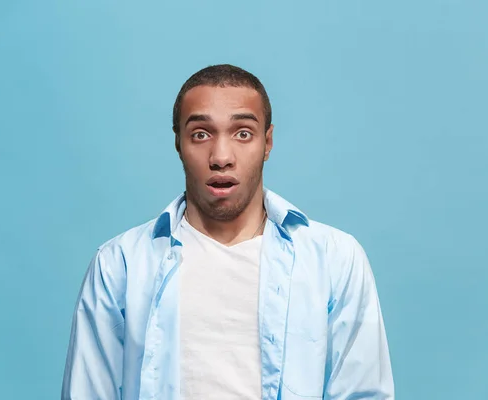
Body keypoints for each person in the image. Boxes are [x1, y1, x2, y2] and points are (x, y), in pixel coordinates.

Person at [61, 64, 394, 400]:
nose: (221, 157)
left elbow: (364, 394)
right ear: (178, 143)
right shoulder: (120, 265)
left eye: (243, 133)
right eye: (201, 134)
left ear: (268, 142)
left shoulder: (334, 259)